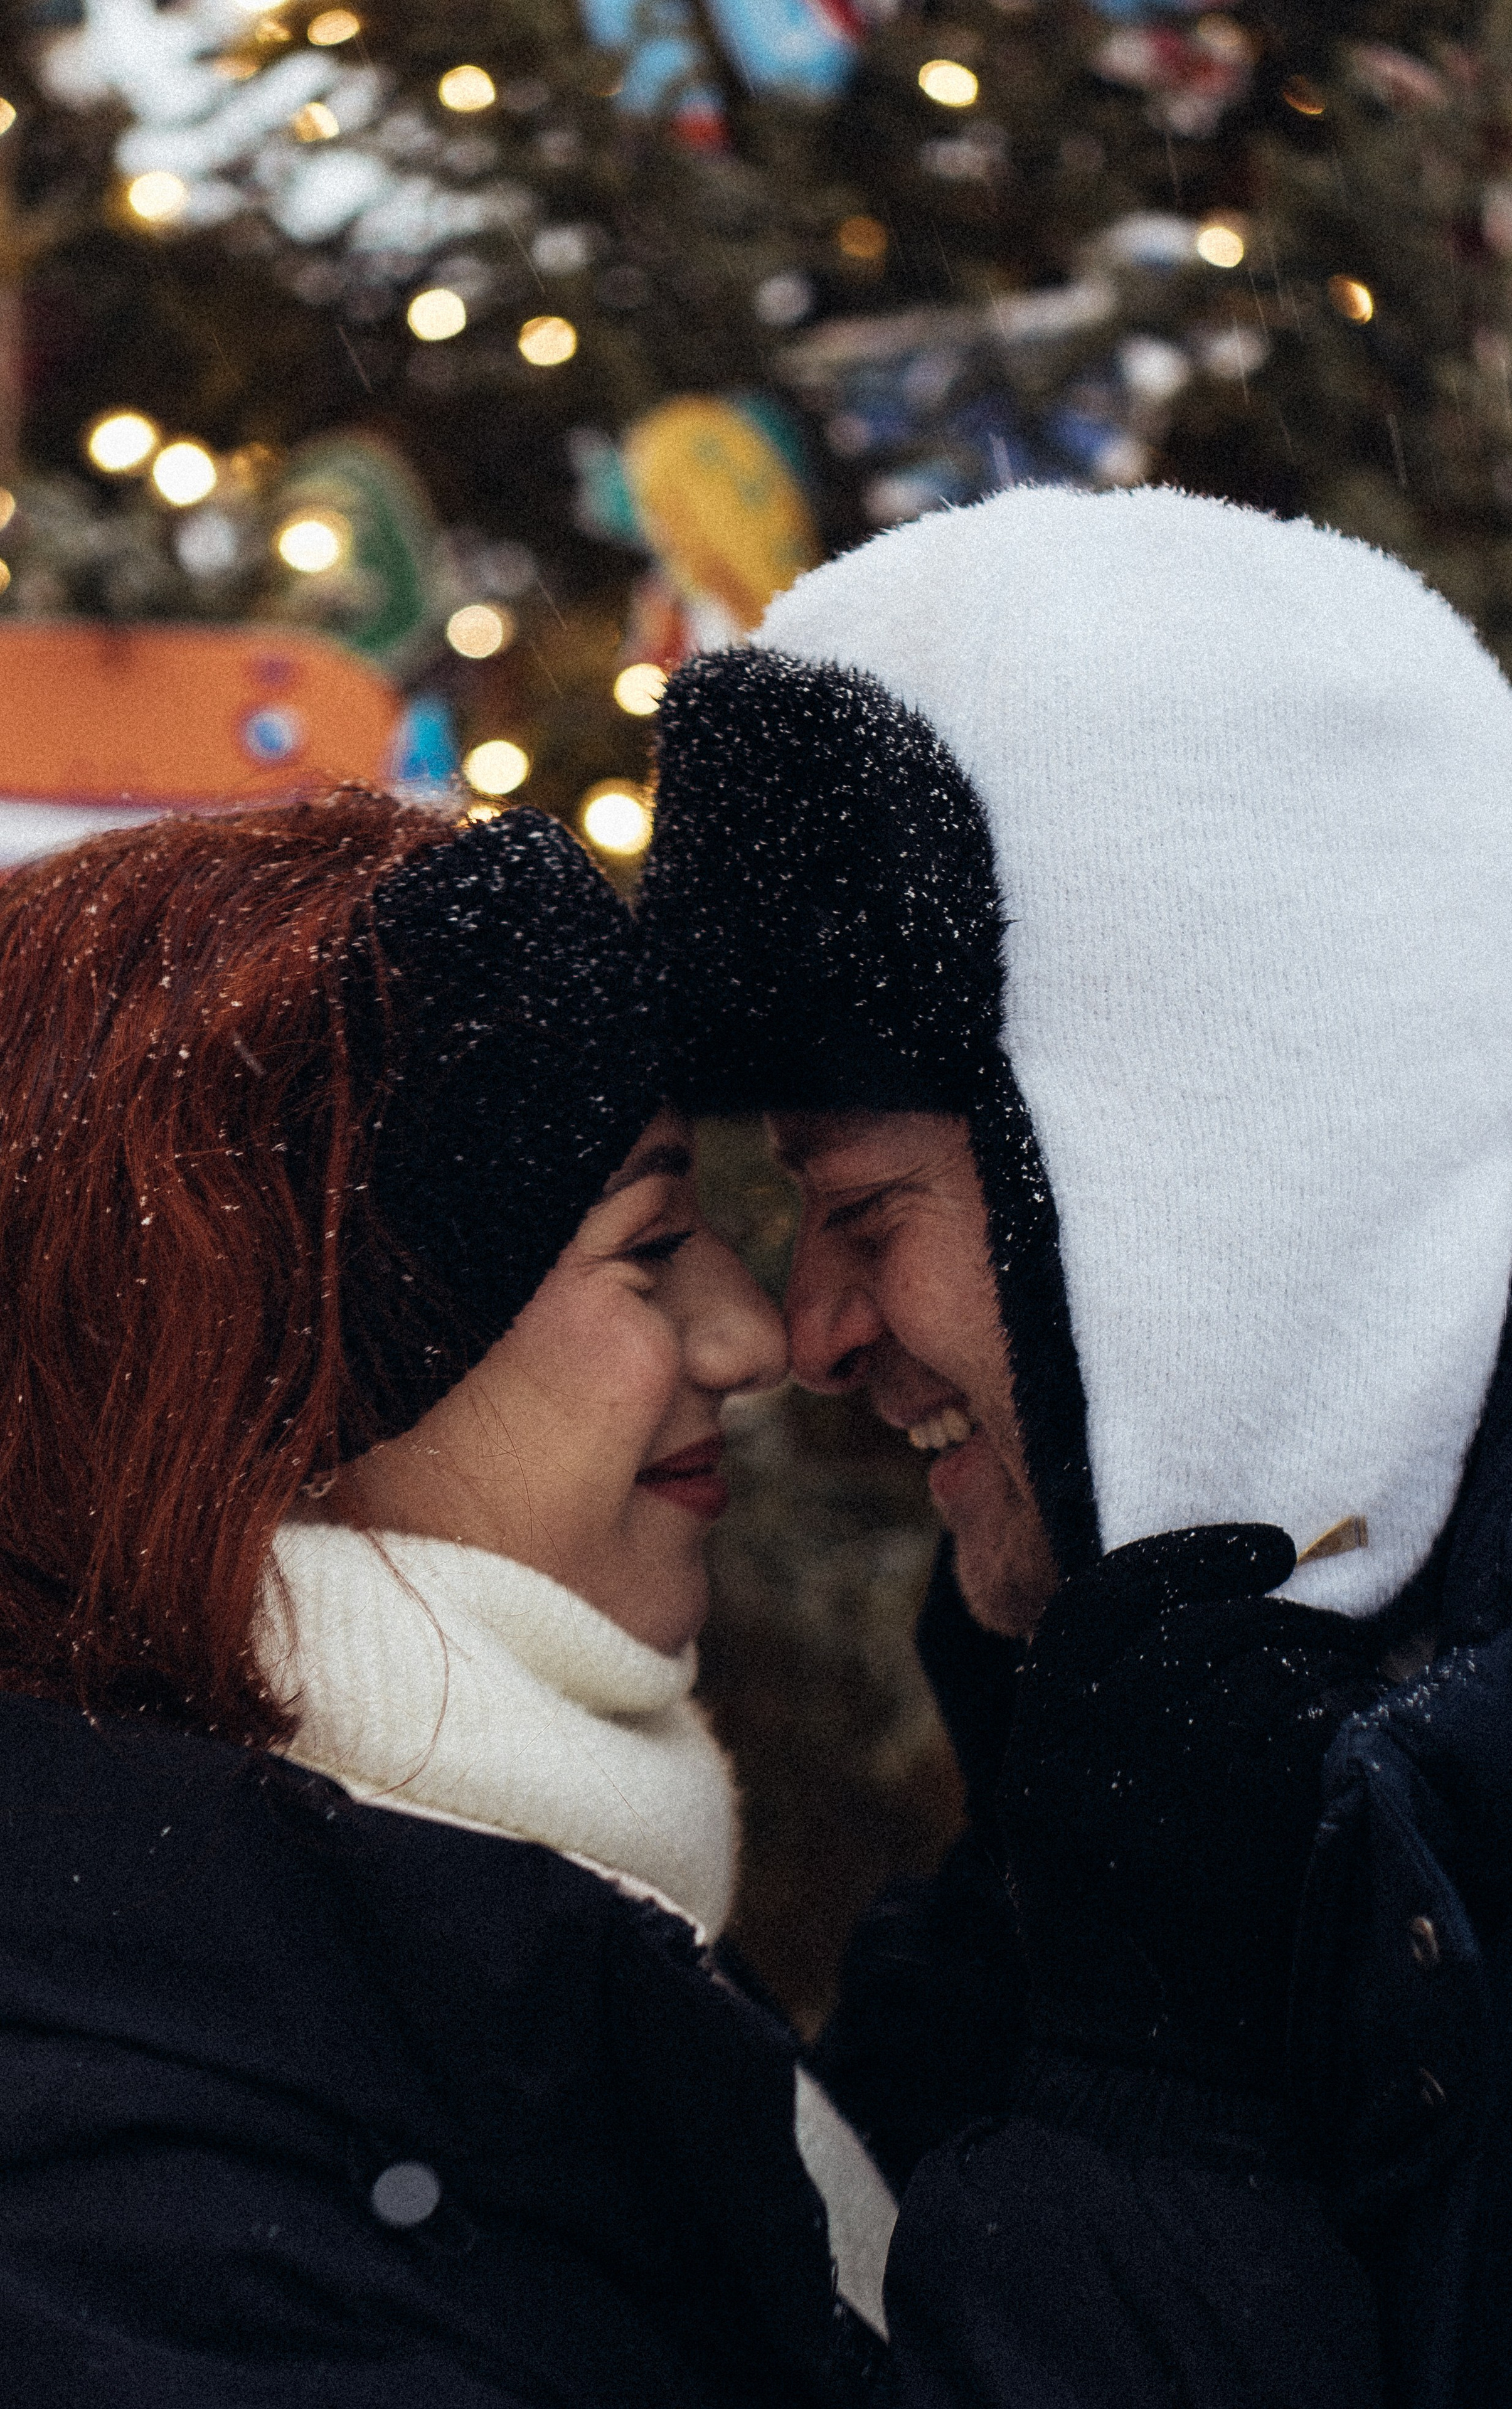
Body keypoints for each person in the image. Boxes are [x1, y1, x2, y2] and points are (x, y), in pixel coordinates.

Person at [639, 484, 1512, 2408]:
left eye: (866, 1209)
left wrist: (1160, 2098)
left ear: (1191, 1179)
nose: (810, 1334)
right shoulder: (1162, 1712)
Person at [0, 787, 896, 2405]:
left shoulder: (493, 1929)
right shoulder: (131, 2210)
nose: (754, 1337)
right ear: (281, 1381)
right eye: (650, 1245)